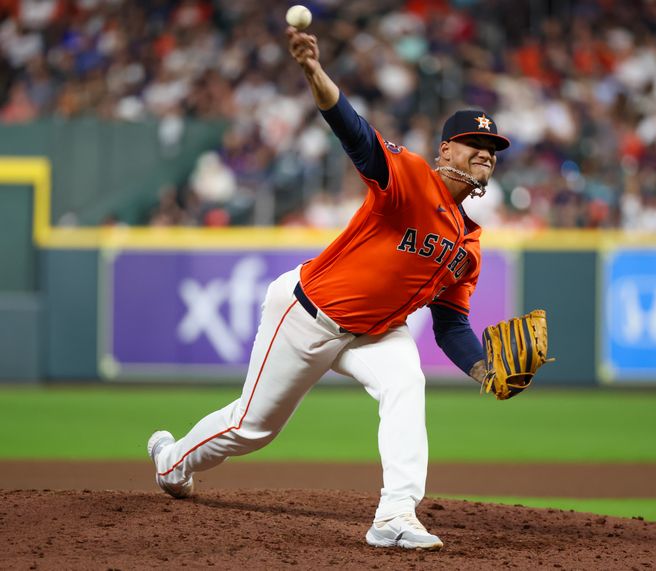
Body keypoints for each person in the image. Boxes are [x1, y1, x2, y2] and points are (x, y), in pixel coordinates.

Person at [146, 25, 511, 550]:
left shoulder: (469, 245)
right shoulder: (409, 177)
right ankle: (170, 460)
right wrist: (315, 72)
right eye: (475, 143)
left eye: (492, 147)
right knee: (253, 427)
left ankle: (395, 514)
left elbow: (451, 323)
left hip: (377, 332)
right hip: (307, 312)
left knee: (407, 385)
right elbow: (355, 133)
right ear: (446, 149)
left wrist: (483, 368)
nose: (486, 152)